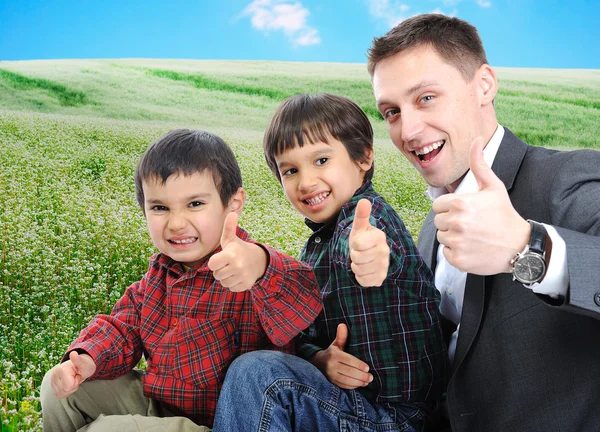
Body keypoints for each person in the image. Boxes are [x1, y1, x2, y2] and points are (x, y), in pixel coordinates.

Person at [367, 13, 600, 432]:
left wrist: (527, 249)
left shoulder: (565, 178)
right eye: (391, 112)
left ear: (484, 85)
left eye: (425, 98)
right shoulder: (428, 232)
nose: (408, 129)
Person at [39, 129, 323, 431]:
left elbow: (303, 301)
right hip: (163, 406)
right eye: (160, 207)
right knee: (60, 390)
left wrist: (262, 265)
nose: (176, 224)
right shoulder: (159, 276)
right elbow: (121, 329)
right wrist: (86, 358)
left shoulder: (248, 270)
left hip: (227, 423)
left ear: (234, 202)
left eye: (195, 204)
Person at [212, 93, 448, 432]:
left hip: (402, 419)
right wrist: (318, 358)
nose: (306, 182)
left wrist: (370, 256)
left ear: (364, 157)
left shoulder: (370, 216)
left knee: (258, 374)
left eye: (321, 160)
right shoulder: (315, 248)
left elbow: (370, 251)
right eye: (290, 170)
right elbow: (306, 331)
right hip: (355, 409)